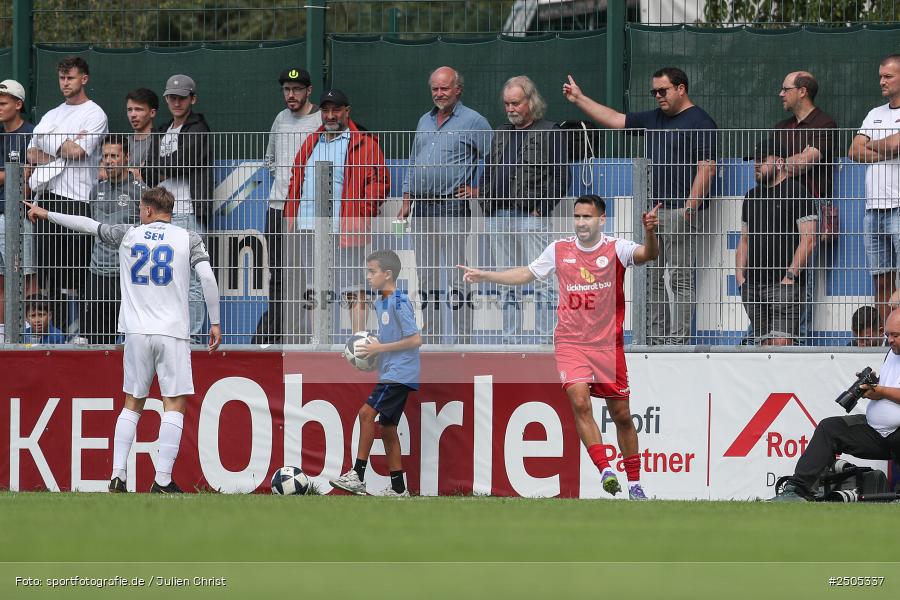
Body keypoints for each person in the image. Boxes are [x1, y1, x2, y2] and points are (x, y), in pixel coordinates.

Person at [459, 195, 661, 500]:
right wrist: (486, 275)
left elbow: (649, 254)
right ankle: (606, 470)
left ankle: (635, 484)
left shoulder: (615, 248)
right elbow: (526, 273)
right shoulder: (559, 249)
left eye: (587, 217)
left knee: (621, 415)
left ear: (601, 220)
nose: (581, 223)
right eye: (577, 217)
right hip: (571, 342)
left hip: (607, 346)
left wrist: (649, 232)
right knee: (580, 402)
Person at [25, 187, 222, 494]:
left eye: (141, 208)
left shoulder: (129, 234)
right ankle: (163, 480)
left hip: (135, 333)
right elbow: (207, 278)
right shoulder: (188, 238)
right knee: (174, 403)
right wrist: (215, 321)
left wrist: (46, 213)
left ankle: (118, 475)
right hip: (172, 332)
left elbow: (88, 224)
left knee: (132, 403)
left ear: (148, 211)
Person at [564, 67, 716, 345]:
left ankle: (678, 342)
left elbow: (707, 168)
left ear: (681, 89)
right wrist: (579, 99)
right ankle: (656, 340)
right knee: (652, 279)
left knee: (680, 279)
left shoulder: (700, 121)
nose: (658, 96)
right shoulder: (653, 118)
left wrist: (689, 209)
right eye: (654, 92)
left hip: (678, 212)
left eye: (663, 90)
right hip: (651, 213)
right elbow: (615, 119)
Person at [283, 89, 389, 341]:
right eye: (326, 110)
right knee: (314, 287)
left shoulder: (364, 142)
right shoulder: (312, 141)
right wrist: (291, 214)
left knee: (353, 286)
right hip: (308, 226)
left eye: (336, 110)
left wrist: (361, 213)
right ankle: (318, 341)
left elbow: (380, 183)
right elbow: (296, 178)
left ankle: (358, 342)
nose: (330, 116)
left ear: (347, 112)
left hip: (345, 227)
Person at [399, 66, 491, 344]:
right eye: (435, 89)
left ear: (458, 89)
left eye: (445, 88)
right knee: (426, 279)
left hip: (452, 208)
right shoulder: (423, 120)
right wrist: (406, 199)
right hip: (421, 209)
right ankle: (434, 340)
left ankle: (463, 342)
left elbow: (497, 158)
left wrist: (479, 190)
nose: (439, 93)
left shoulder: (474, 121)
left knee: (455, 279)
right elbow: (413, 162)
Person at [771, 308, 900, 501]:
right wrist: (871, 389)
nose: (890, 340)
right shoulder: (892, 352)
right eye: (887, 334)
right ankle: (797, 491)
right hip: (878, 433)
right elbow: (890, 387)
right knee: (829, 428)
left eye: (895, 335)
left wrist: (880, 392)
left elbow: (887, 392)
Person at [479, 75, 569, 344]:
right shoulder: (500, 132)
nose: (510, 109)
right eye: (507, 104)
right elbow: (487, 172)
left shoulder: (550, 130)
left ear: (530, 102)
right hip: (499, 216)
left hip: (531, 216)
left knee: (542, 280)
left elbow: (562, 177)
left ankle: (544, 340)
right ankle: (510, 341)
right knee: (506, 280)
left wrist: (541, 208)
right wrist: (487, 205)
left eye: (516, 103)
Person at [26, 56, 108, 334]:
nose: (65, 83)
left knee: (81, 274)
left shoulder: (95, 114)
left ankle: (86, 335)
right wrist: (65, 142)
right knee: (50, 276)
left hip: (80, 203)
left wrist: (47, 140)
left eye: (70, 78)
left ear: (83, 79)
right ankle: (57, 335)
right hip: (48, 199)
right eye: (61, 78)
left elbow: (78, 152)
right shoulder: (52, 114)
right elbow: (31, 153)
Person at [329, 249, 421, 497]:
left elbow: (415, 339)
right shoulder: (381, 301)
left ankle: (357, 475)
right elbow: (386, 340)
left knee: (366, 414)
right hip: (393, 371)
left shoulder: (399, 301)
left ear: (388, 274)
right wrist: (359, 350)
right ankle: (399, 489)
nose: (368, 276)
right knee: (388, 427)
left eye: (372, 272)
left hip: (400, 373)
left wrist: (380, 347)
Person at [253, 67, 322, 344]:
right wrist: (283, 181)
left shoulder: (321, 119)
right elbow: (269, 158)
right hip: (278, 207)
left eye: (296, 89)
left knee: (309, 276)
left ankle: (310, 336)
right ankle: (279, 333)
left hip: (307, 211)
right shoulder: (281, 118)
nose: (290, 95)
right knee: (279, 273)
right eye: (286, 89)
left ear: (309, 91)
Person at [144, 74, 213, 341]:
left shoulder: (200, 128)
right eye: (171, 97)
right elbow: (150, 172)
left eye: (181, 97)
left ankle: (193, 338)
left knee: (193, 280)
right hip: (161, 217)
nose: (176, 102)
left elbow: (185, 161)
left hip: (189, 212)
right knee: (164, 280)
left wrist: (161, 165)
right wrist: (163, 165)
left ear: (192, 99)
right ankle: (171, 334)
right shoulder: (161, 130)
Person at [773, 71, 839, 344]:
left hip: (810, 206)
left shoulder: (825, 124)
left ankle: (799, 339)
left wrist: (782, 164)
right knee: (776, 273)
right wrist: (792, 161)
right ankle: (774, 336)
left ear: (802, 91)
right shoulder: (781, 126)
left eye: (785, 88)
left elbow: (805, 162)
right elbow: (765, 168)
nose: (781, 94)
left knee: (804, 277)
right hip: (779, 208)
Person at [735, 139, 817, 346]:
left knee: (782, 345)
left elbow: (809, 240)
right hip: (752, 286)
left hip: (784, 285)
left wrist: (790, 276)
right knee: (762, 345)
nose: (756, 166)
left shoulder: (798, 193)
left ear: (780, 163)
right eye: (754, 161)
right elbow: (744, 240)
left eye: (762, 161)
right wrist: (740, 276)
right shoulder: (751, 197)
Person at [849, 54, 900, 328]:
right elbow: (853, 150)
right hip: (873, 211)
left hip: (899, 208)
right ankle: (887, 336)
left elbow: (896, 145)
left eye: (888, 76)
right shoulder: (874, 113)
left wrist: (876, 144)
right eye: (880, 76)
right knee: (881, 279)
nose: (882, 81)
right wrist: (888, 146)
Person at [84, 135, 145, 343]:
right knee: (97, 339)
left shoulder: (141, 193)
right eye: (105, 156)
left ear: (126, 157)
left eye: (114, 156)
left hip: (127, 274)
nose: (108, 161)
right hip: (98, 272)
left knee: (132, 338)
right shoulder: (96, 190)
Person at [0, 79, 37, 341]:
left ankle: (29, 332)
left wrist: (11, 176)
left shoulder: (33, 134)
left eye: (2, 103)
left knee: (27, 276)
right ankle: (4, 332)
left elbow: (29, 178)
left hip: (23, 217)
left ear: (18, 104)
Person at [125, 88, 159, 177]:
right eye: (129, 110)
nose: (133, 114)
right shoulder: (123, 142)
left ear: (152, 113)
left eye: (138, 109)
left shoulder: (160, 142)